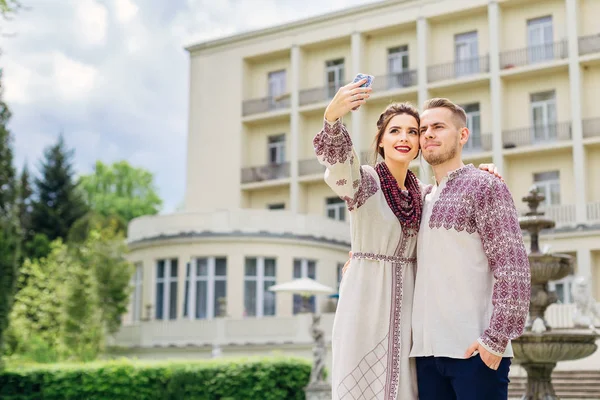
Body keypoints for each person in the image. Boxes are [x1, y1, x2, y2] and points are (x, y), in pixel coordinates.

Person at [314, 80, 502, 400]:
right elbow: (339, 168)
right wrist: (332, 118)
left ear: (419, 144)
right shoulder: (365, 182)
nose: (405, 138)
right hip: (367, 302)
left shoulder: (423, 195)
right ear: (382, 141)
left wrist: (485, 174)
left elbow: (453, 197)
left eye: (413, 132)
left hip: (411, 315)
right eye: (395, 131)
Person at [408, 98, 531, 400]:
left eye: (438, 127)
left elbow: (512, 266)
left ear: (463, 135)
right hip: (426, 355)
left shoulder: (484, 185)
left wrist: (495, 340)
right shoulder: (420, 199)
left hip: (474, 352)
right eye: (423, 130)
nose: (428, 135)